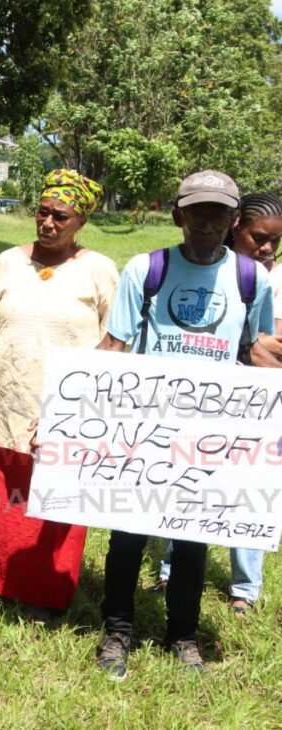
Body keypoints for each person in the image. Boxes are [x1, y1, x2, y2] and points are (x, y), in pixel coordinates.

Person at [95, 171, 274, 678]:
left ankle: (184, 635)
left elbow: (255, 353)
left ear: (233, 220)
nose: (206, 223)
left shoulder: (250, 279)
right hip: (147, 428)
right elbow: (115, 346)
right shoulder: (146, 270)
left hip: (210, 435)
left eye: (218, 213)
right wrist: (67, 411)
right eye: (197, 211)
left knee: (194, 538)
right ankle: (118, 631)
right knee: (128, 534)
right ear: (178, 215)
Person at [0, 169, 119, 620]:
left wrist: (85, 406)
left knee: (53, 504)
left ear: (80, 223)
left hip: (67, 412)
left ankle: (45, 595)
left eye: (61, 215)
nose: (48, 222)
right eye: (42, 211)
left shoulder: (98, 270)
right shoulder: (7, 263)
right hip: (5, 402)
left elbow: (114, 340)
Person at [156, 192, 282, 616]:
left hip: (253, 408)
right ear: (235, 227)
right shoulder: (207, 272)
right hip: (196, 403)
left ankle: (244, 588)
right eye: (258, 238)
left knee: (246, 491)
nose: (264, 249)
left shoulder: (266, 279)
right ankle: (170, 568)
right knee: (184, 481)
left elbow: (265, 346)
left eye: (273, 243)